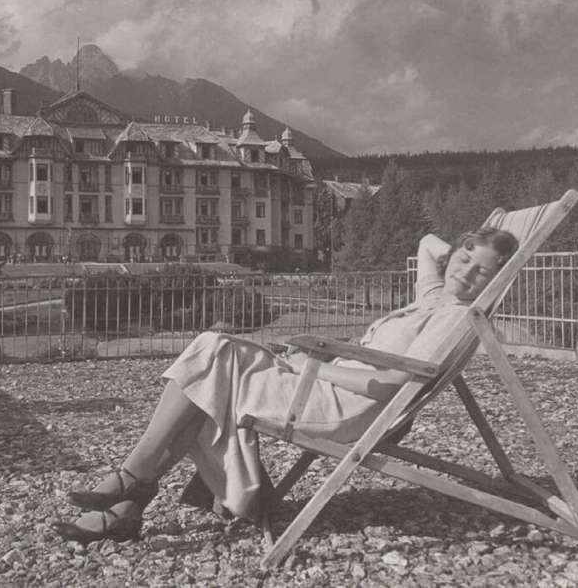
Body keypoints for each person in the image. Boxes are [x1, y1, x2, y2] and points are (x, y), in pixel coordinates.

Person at [52, 228, 519, 543]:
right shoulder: (435, 298)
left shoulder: (457, 316)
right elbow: (425, 244)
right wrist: (469, 246)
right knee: (212, 363)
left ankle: (131, 483)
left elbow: (393, 382)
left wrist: (309, 367)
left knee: (214, 350)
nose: (466, 273)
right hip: (328, 386)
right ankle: (130, 499)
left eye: (483, 272)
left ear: (497, 281)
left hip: (343, 403)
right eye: (463, 259)